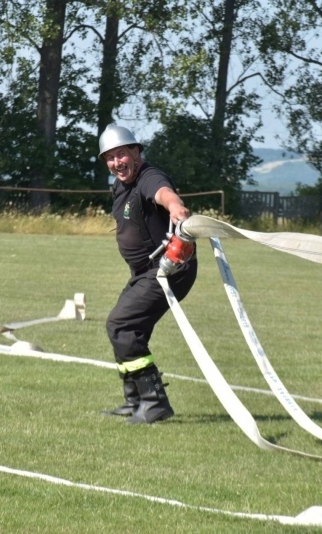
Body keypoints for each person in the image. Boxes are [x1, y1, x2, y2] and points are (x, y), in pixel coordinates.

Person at [99, 124, 197, 424]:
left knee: (121, 324)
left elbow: (163, 192)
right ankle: (134, 400)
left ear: (136, 152)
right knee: (125, 329)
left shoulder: (147, 177)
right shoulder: (120, 185)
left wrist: (176, 207)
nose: (117, 163)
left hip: (168, 270)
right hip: (143, 273)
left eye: (122, 155)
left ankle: (154, 403)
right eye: (110, 158)